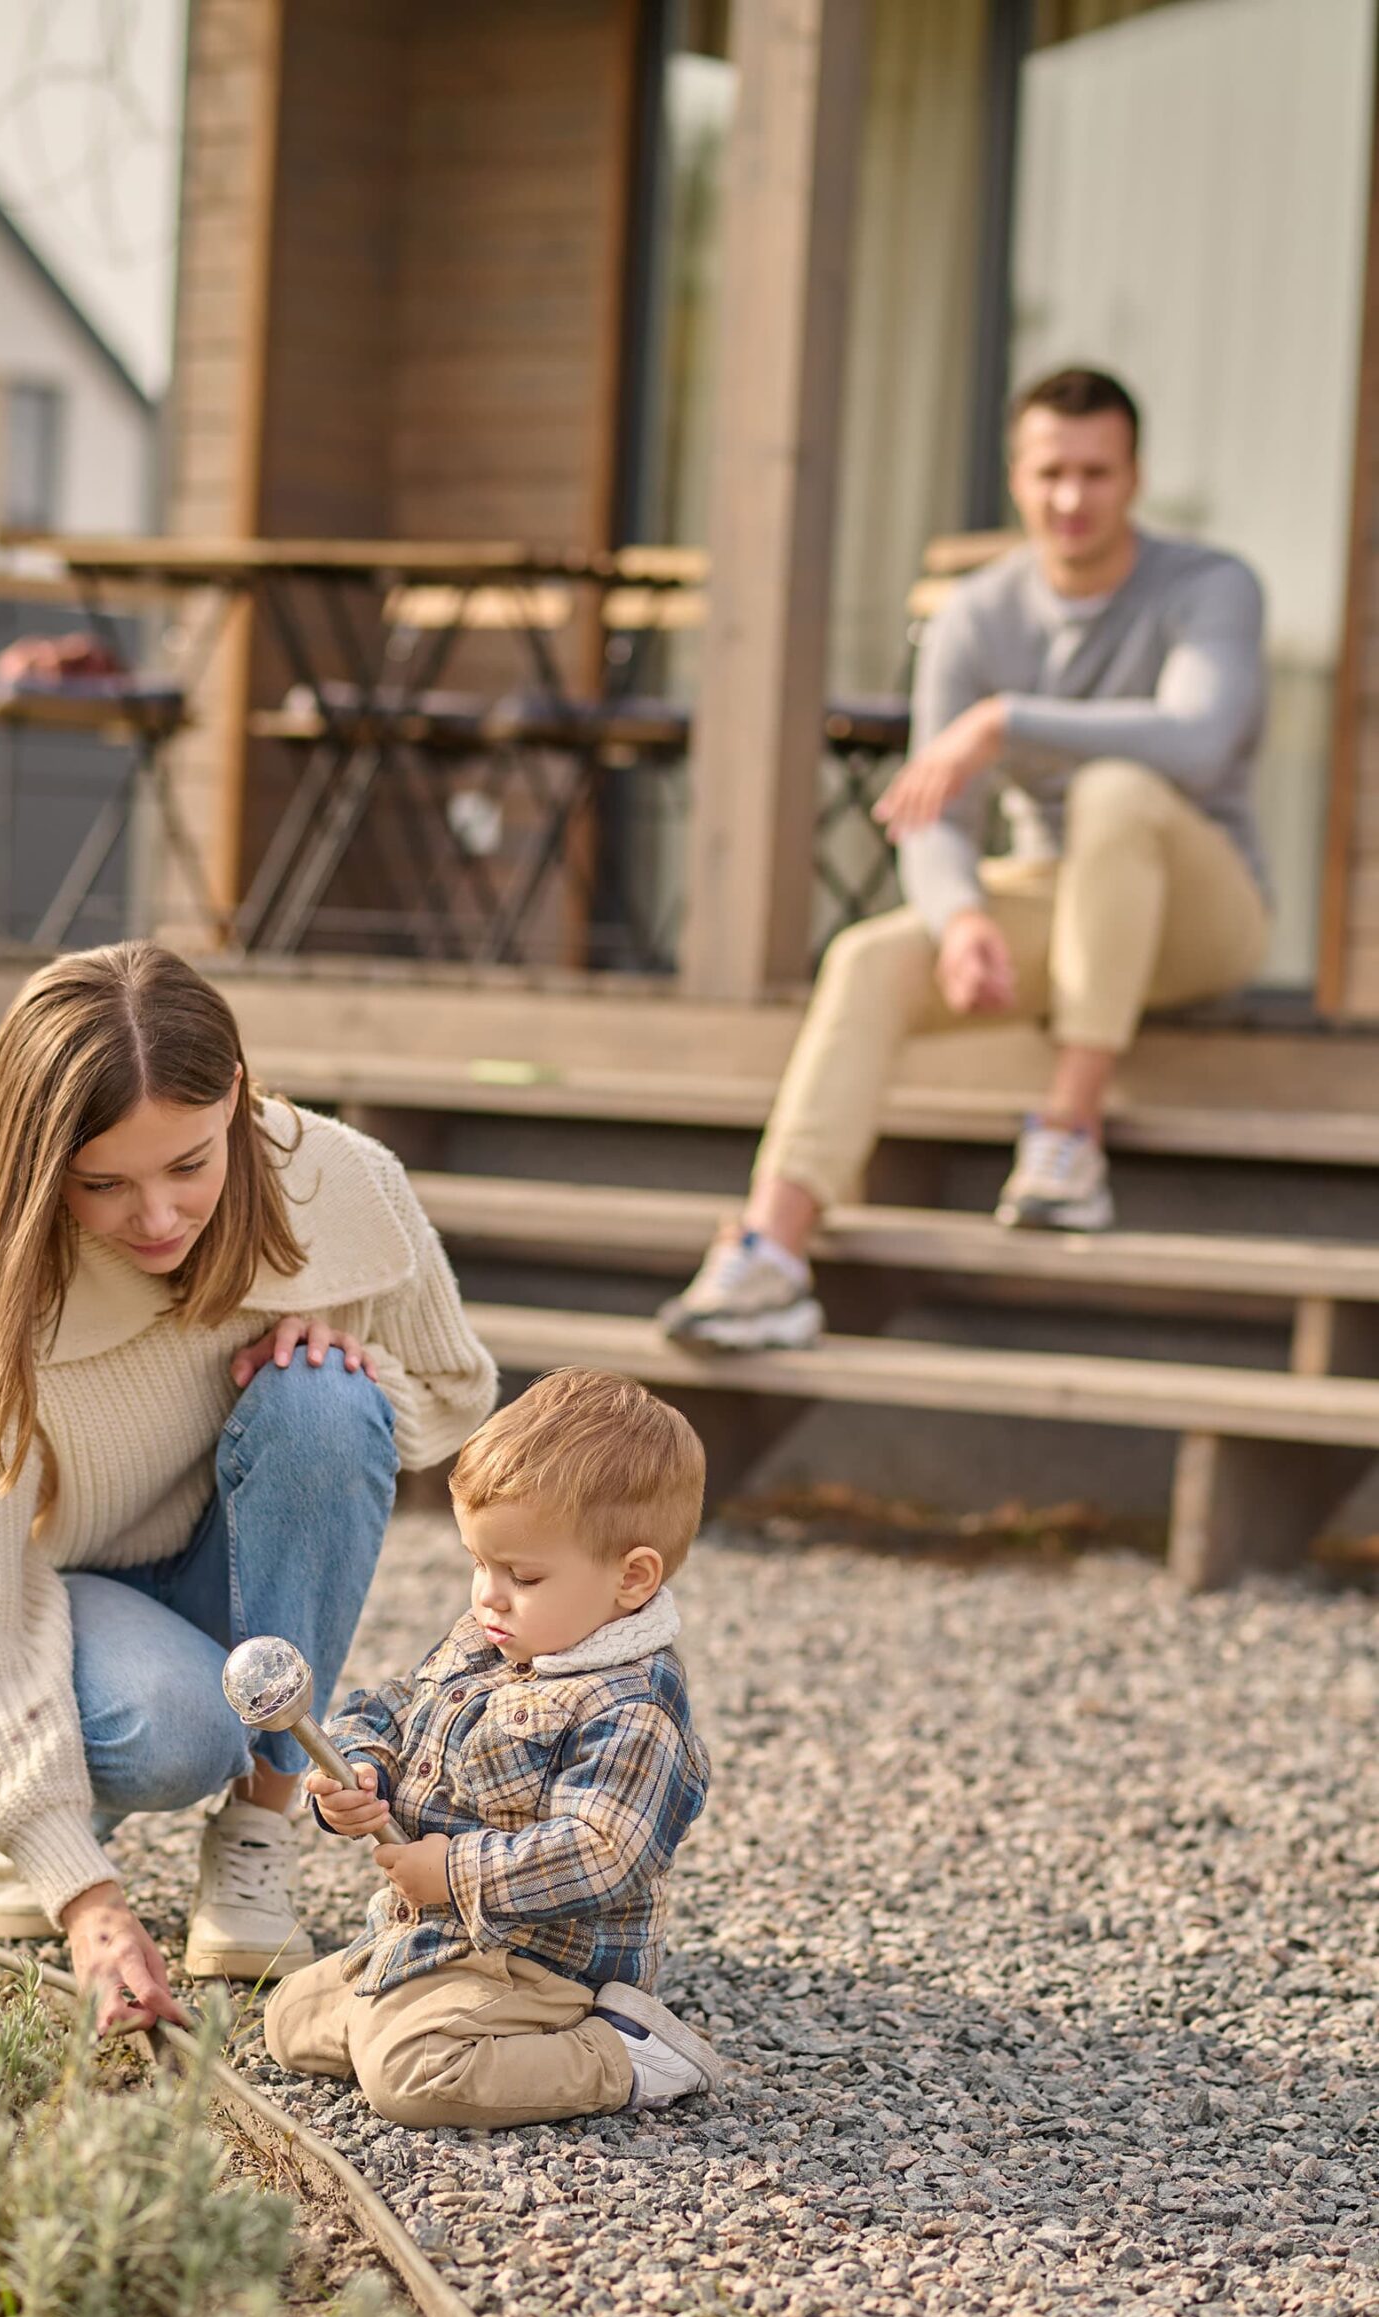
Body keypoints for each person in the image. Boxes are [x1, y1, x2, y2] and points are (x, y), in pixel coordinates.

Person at [0, 940, 496, 2034]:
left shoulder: (337, 1179)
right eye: (103, 1182)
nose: (158, 1217)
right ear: (37, 1161)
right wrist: (88, 1902)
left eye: (190, 1165)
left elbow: (454, 1392)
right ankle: (30, 1823)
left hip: (235, 1564)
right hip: (66, 1604)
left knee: (323, 1402)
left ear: (238, 1106)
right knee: (175, 1730)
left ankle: (256, 1833)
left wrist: (350, 1359)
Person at [660, 365, 1272, 1352]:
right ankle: (770, 1254)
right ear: (1014, 475)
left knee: (1115, 793)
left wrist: (1000, 721)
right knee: (865, 956)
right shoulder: (975, 617)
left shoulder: (1208, 588)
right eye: (1048, 473)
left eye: (1094, 473)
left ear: (1133, 477)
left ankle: (1066, 1140)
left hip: (1203, 913)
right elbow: (933, 815)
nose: (1069, 497)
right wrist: (960, 919)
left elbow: (1198, 739)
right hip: (1057, 900)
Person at [261, 1368, 722, 2129]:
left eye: (523, 1574)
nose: (488, 1595)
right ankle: (418, 2015)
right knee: (288, 2021)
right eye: (479, 1564)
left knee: (409, 2079)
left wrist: (453, 1869)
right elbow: (392, 1706)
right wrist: (362, 1768)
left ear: (631, 1578)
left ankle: (625, 2055)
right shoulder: (490, 1640)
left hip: (542, 1963)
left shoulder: (631, 1707)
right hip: (433, 1934)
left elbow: (601, 1851)